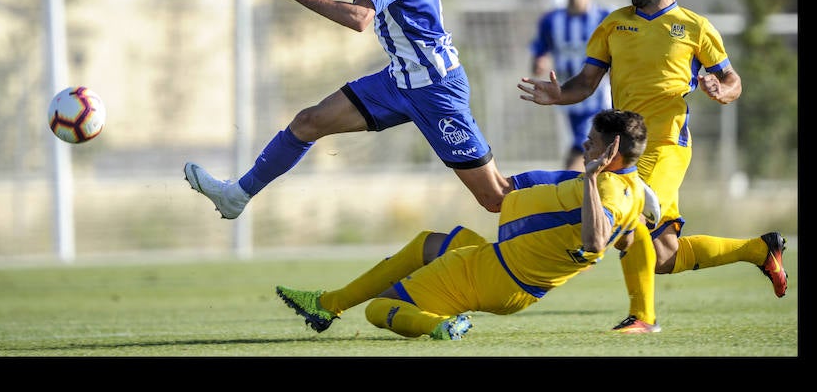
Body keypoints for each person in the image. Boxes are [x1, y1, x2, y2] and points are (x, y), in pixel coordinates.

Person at [183, 0, 524, 220]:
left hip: (436, 89)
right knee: (309, 121)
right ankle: (237, 195)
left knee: (496, 197)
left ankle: (576, 192)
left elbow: (360, 18)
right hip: (399, 82)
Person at [518, 0, 788, 333]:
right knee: (663, 256)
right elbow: (585, 83)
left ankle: (643, 318)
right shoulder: (613, 24)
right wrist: (558, 94)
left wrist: (720, 90)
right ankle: (760, 250)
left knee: (629, 220)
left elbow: (733, 82)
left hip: (666, 145)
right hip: (625, 149)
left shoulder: (695, 27)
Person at [276, 109, 649, 340]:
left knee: (379, 309)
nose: (585, 145)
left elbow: (597, 242)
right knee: (429, 243)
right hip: (508, 268)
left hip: (497, 273)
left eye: (592, 141)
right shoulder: (630, 186)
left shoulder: (605, 188)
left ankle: (436, 324)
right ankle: (329, 304)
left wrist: (588, 180)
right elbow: (623, 237)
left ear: (610, 152)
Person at [529, 0, 612, 170]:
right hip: (567, 102)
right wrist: (539, 62)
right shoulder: (551, 21)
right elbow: (540, 52)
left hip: (598, 102)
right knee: (595, 164)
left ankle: (563, 196)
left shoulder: (606, 19)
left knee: (577, 158)